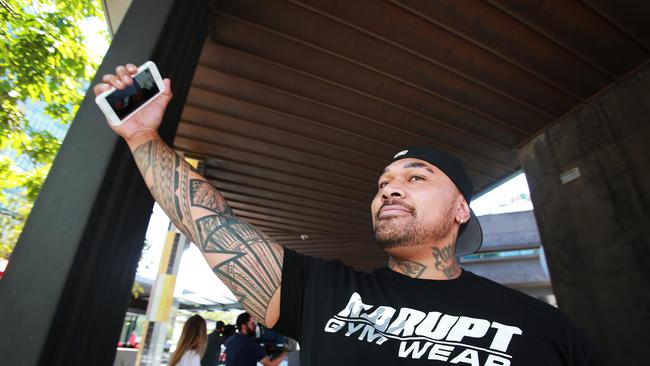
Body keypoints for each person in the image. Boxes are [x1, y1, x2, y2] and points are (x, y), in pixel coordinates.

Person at [95, 65, 605, 365]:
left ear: (460, 208)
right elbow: (210, 222)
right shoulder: (325, 291)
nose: (390, 190)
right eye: (382, 184)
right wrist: (143, 137)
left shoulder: (544, 327)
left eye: (416, 177)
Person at [223, 312, 287, 366]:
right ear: (243, 326)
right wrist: (286, 351)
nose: (255, 326)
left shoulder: (230, 340)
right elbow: (271, 364)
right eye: (252, 323)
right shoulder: (250, 344)